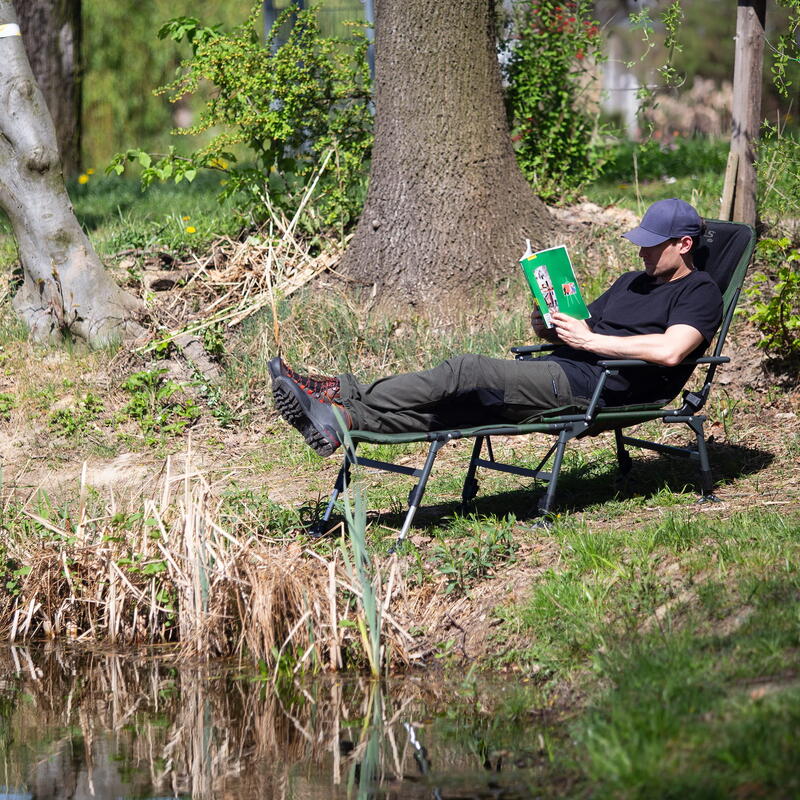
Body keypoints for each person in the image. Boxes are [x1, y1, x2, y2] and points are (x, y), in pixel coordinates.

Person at [270, 198, 723, 458]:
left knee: (467, 371)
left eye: (652, 245)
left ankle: (337, 390)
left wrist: (591, 341)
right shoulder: (632, 282)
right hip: (564, 369)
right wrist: (549, 320)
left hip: (601, 388)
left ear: (683, 245)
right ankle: (343, 420)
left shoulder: (699, 291)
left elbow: (671, 351)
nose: (642, 253)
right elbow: (583, 325)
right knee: (462, 403)